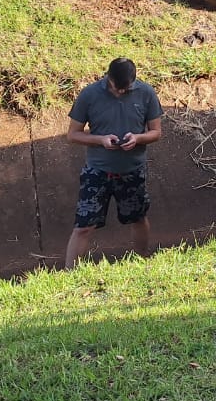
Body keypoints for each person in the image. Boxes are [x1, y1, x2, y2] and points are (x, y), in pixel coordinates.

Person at [64, 57, 164, 269]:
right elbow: (73, 135)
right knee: (83, 226)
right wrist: (100, 140)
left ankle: (143, 262)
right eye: (116, 88)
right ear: (108, 77)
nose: (120, 92)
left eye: (125, 89)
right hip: (97, 172)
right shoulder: (89, 94)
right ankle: (69, 272)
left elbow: (156, 132)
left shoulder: (146, 93)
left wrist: (138, 138)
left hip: (132, 171)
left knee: (137, 218)